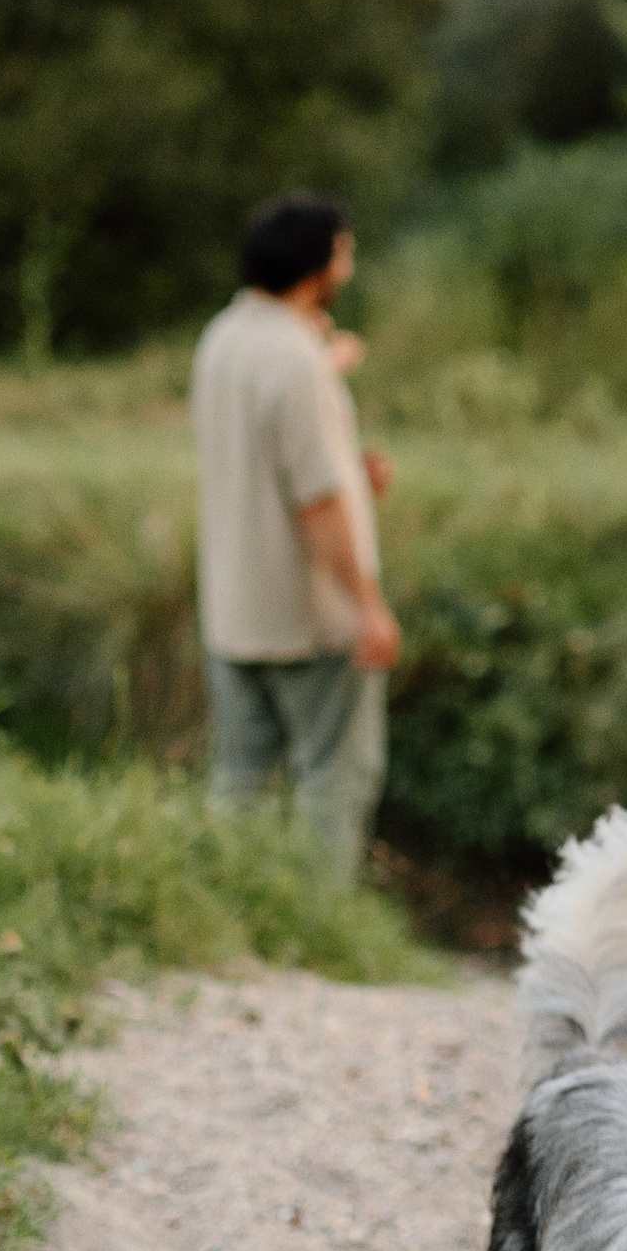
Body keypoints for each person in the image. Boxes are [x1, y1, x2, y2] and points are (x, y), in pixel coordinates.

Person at [190, 193, 401, 875]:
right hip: (308, 615)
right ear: (319, 264)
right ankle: (318, 925)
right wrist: (367, 606)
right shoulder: (300, 363)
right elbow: (318, 502)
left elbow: (266, 459)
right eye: (344, 251)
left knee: (240, 785)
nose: (349, 263)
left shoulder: (221, 338)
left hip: (232, 606)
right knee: (335, 778)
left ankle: (227, 916)